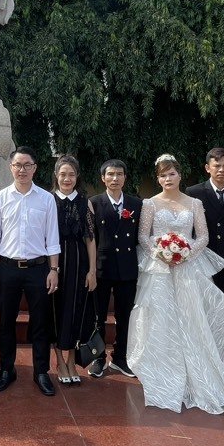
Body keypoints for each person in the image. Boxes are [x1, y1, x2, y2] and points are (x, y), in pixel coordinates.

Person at [128, 154, 224, 413]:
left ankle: (198, 370)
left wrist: (185, 254)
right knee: (160, 316)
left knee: (191, 316)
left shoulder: (194, 203)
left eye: (172, 174)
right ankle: (162, 367)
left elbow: (203, 236)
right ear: (158, 179)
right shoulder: (150, 204)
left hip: (188, 267)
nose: (168, 179)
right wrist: (161, 253)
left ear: (179, 175)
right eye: (162, 175)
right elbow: (144, 236)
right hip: (159, 269)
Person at [0, 147, 60, 396]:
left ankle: (41, 372)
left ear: (35, 168)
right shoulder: (0, 199)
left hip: (39, 269)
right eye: (18, 165)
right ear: (11, 167)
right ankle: (7, 369)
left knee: (41, 322)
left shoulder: (46, 199)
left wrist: (54, 269)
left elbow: (53, 239)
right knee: (6, 321)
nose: (22, 170)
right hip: (7, 269)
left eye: (27, 165)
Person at [89, 159, 142, 378]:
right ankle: (98, 357)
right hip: (102, 267)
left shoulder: (136, 204)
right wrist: (91, 270)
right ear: (103, 178)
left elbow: (139, 237)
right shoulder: (94, 203)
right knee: (98, 316)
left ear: (125, 178)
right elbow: (91, 239)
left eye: (119, 174)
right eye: (110, 174)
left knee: (125, 315)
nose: (115, 178)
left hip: (127, 267)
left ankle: (121, 357)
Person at [49, 155, 96, 385]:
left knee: (77, 310)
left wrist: (92, 271)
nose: (67, 179)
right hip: (55, 262)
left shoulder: (85, 202)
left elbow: (90, 239)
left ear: (77, 177)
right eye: (63, 174)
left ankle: (71, 360)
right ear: (56, 176)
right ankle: (59, 360)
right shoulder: (48, 200)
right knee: (56, 310)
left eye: (71, 174)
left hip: (79, 264)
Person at [185, 148, 224, 309]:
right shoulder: (194, 192)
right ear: (208, 168)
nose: (221, 170)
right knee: (210, 303)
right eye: (217, 166)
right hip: (207, 256)